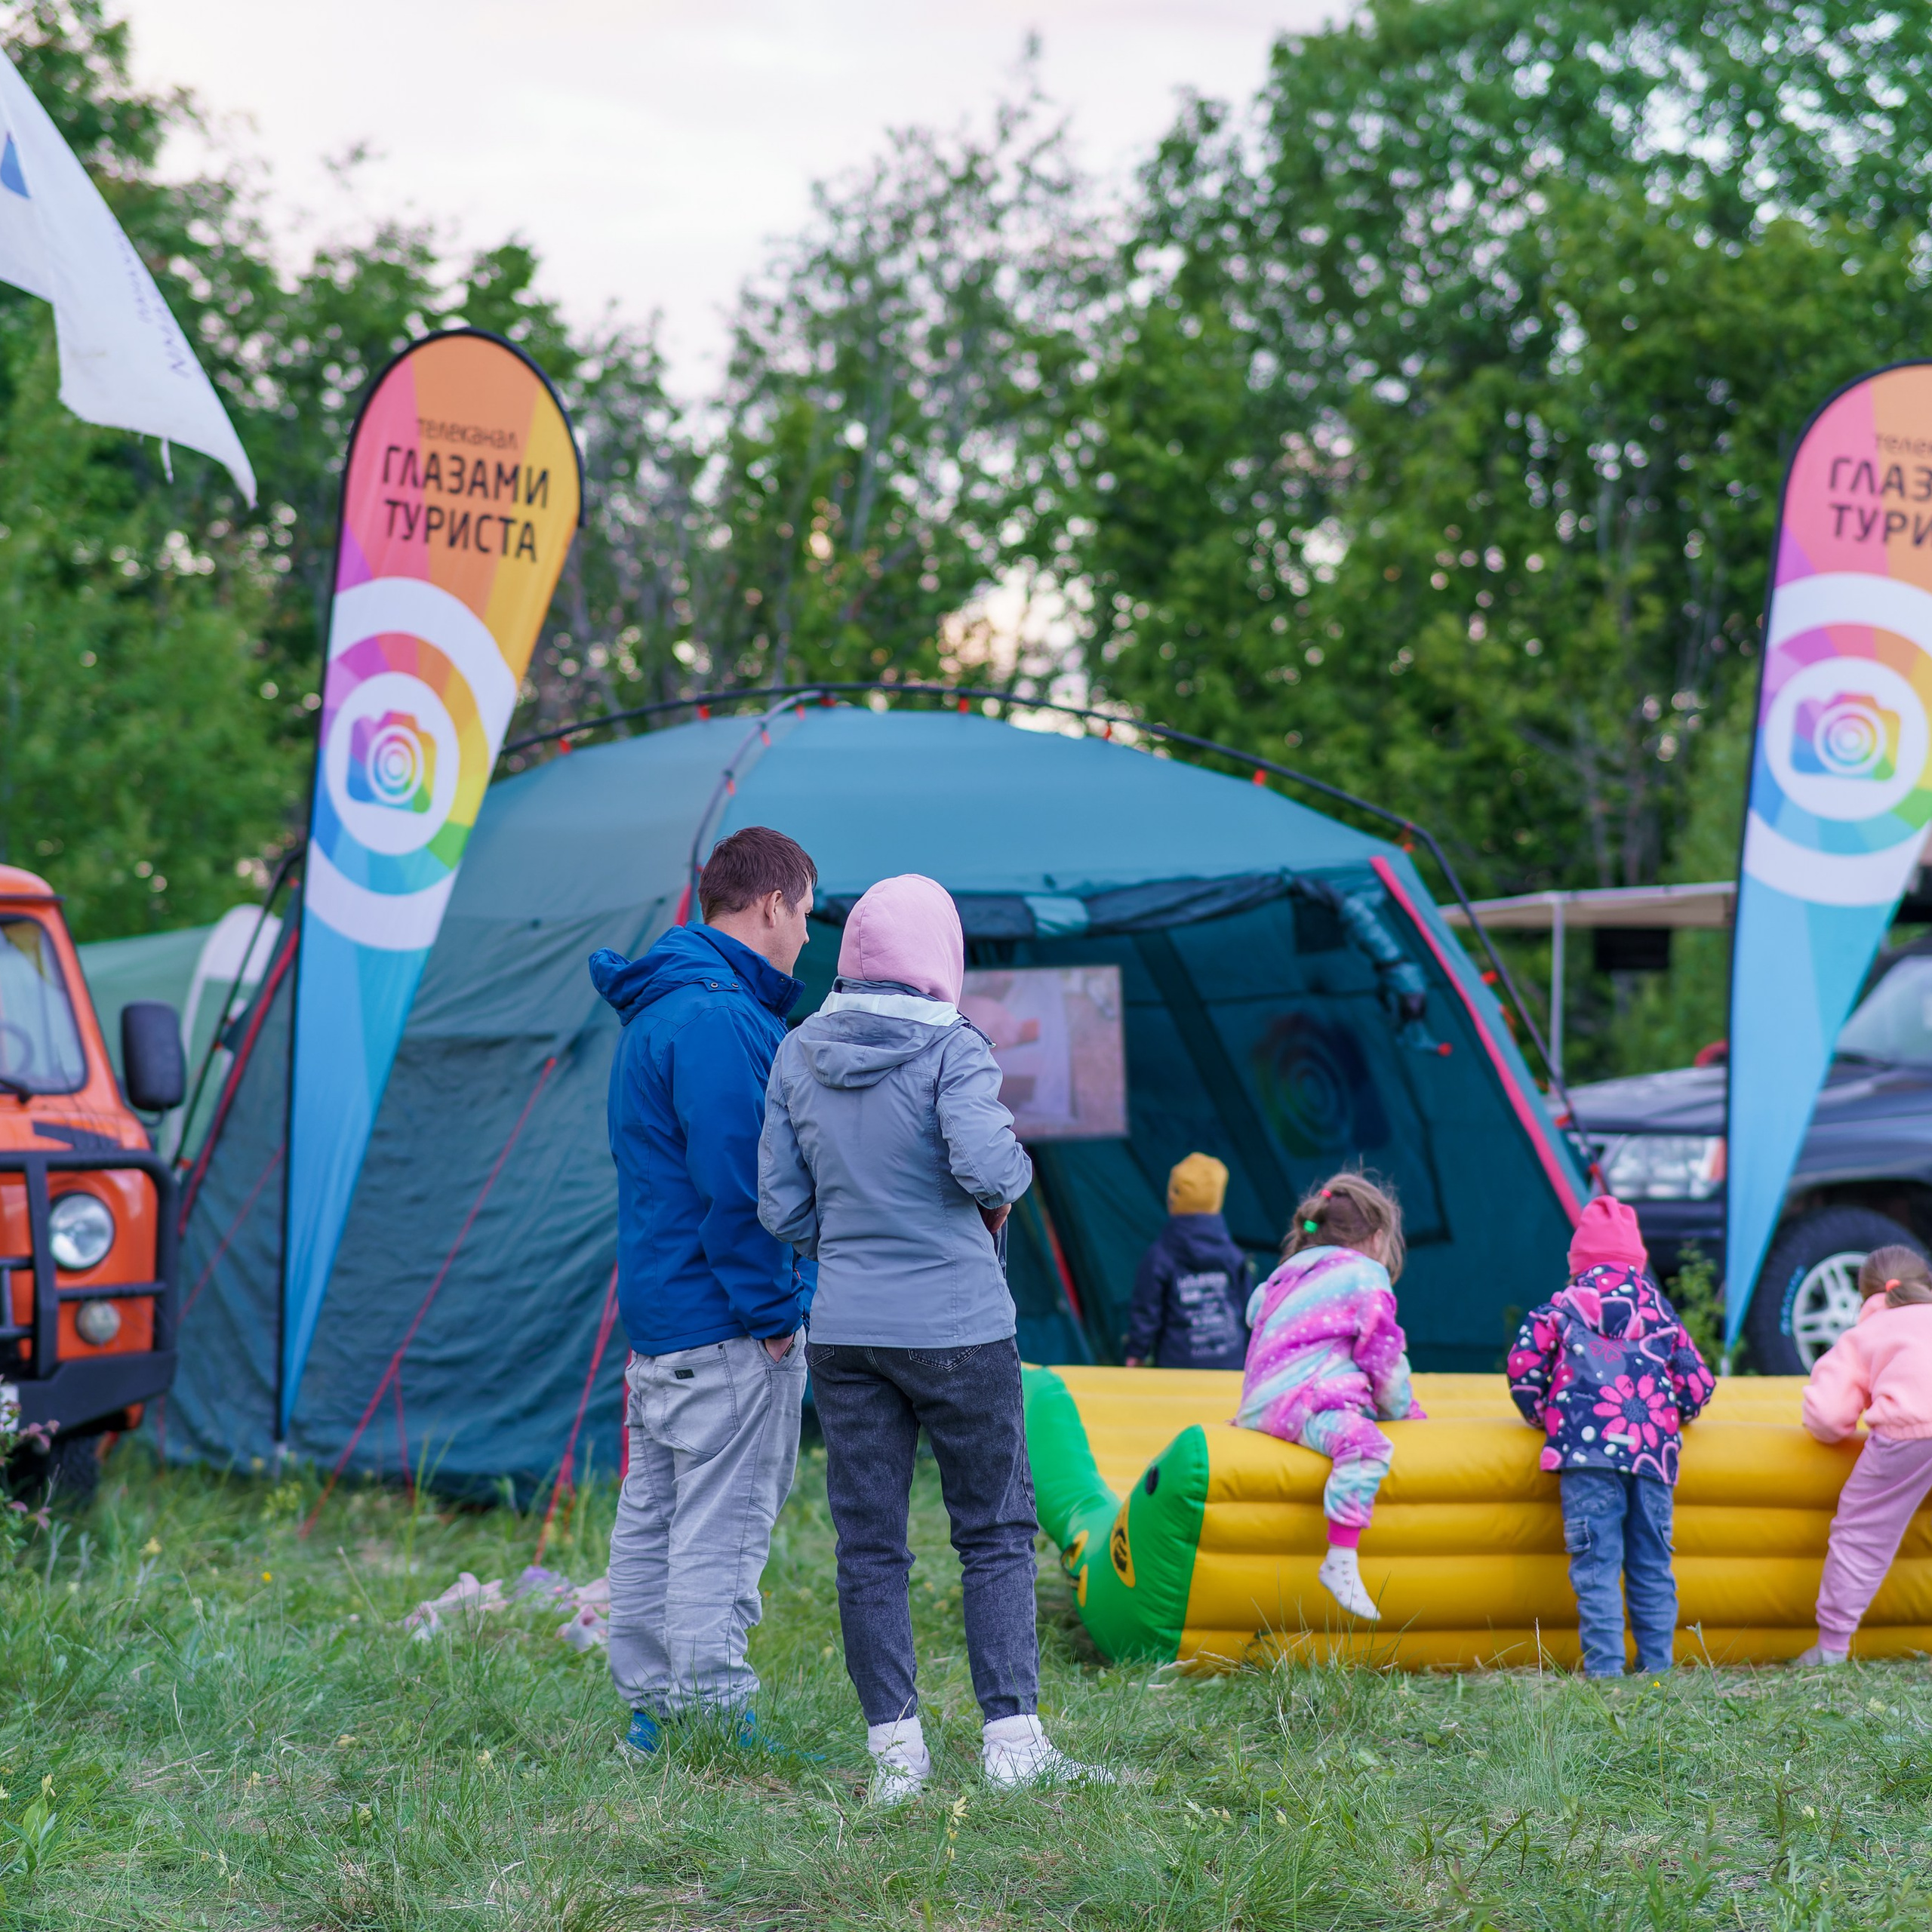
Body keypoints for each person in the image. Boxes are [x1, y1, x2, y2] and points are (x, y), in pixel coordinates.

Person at [758, 873, 1108, 1804]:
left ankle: (894, 1755)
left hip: (846, 1333)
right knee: (993, 1531)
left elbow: (781, 1207)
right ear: (939, 955)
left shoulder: (796, 1050)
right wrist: (1007, 1183)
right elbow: (988, 1166)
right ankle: (1012, 1744)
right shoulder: (954, 1045)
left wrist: (852, 1239)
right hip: (960, 1327)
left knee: (868, 1544)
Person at [586, 826, 819, 1758]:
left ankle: (652, 1713)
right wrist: (774, 1313)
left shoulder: (661, 1006)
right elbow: (745, 1186)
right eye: (805, 912)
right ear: (771, 904)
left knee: (653, 1520)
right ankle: (714, 1719)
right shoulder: (720, 1019)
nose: (807, 935)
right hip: (727, 1324)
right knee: (718, 1530)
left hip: (662, 1318)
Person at [1506, 1195, 1713, 1679]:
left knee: (1597, 1566)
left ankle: (1605, 1672)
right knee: (1652, 1565)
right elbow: (1698, 1384)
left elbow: (1523, 1368)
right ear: (1637, 1262)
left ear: (1577, 1264)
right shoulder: (1661, 1314)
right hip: (1653, 1456)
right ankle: (1657, 1669)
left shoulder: (1559, 1309)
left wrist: (1541, 1414)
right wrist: (1676, 1414)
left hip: (1586, 1454)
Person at [1235, 1172, 1423, 1622]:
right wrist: (1401, 1410)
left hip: (1258, 1408)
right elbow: (1383, 1357)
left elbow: (1255, 1314)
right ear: (1377, 1238)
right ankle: (1340, 1559)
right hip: (1303, 1404)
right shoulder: (1365, 1276)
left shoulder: (1285, 1274)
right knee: (1366, 1447)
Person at [1795, 1243, 1932, 1666]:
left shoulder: (1864, 1335)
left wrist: (1838, 1430)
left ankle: (1832, 1647)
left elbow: (1828, 1415)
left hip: (1909, 1431)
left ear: (1864, 1295)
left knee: (1861, 1530)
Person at [1124, 1153, 1251, 1370]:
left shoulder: (1160, 1255)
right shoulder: (1233, 1254)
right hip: (1231, 1362)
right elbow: (1249, 1307)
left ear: (1173, 1199)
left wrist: (1136, 1353)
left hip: (1179, 1366)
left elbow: (1146, 1311)